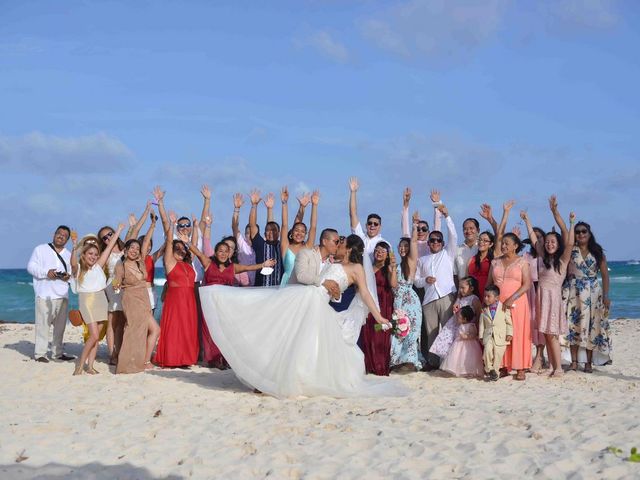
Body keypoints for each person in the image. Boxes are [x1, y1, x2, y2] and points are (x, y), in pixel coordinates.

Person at [198, 235, 404, 398]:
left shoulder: (356, 268)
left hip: (317, 303)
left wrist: (379, 317)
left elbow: (365, 293)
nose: (338, 245)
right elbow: (323, 279)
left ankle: (287, 379)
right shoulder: (333, 261)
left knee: (301, 342)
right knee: (282, 332)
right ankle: (267, 377)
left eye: (341, 243)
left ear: (349, 248)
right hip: (306, 296)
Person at [183, 229, 275, 369]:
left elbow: (248, 267)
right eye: (220, 251)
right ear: (216, 252)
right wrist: (187, 242)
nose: (223, 253)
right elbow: (198, 252)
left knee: (225, 332)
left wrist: (263, 265)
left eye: (226, 251)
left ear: (230, 253)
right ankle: (213, 360)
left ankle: (225, 359)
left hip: (225, 305)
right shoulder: (208, 263)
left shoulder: (233, 267)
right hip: (209, 305)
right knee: (209, 332)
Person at [522, 197, 575, 378]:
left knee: (552, 334)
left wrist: (560, 216)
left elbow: (569, 242)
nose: (549, 244)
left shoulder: (562, 260)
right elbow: (533, 237)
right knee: (545, 333)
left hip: (553, 299)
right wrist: (527, 220)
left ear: (558, 244)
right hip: (541, 298)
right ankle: (553, 366)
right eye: (547, 242)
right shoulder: (543, 258)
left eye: (553, 242)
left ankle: (558, 368)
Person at [152, 187, 199, 368]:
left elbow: (193, 245)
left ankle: (185, 359)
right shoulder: (170, 261)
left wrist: (195, 227)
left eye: (182, 248)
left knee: (187, 329)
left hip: (188, 299)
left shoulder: (188, 262)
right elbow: (169, 240)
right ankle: (172, 358)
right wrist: (162, 206)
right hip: (175, 299)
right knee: (174, 329)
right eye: (177, 247)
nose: (180, 249)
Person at [71, 224, 125, 375]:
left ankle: (90, 366)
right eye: (90, 254)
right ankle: (80, 365)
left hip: (101, 298)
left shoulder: (98, 267)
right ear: (84, 254)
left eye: (96, 254)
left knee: (96, 337)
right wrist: (74, 247)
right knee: (94, 335)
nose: (93, 257)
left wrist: (119, 230)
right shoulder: (80, 269)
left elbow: (109, 248)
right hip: (87, 300)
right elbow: (73, 263)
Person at [413, 204, 458, 370]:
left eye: (438, 240)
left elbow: (453, 235)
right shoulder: (422, 260)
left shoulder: (448, 253)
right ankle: (432, 363)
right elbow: (415, 280)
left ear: (442, 242)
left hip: (446, 296)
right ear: (428, 243)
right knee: (431, 333)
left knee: (448, 331)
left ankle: (448, 361)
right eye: (432, 240)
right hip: (429, 299)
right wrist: (425, 281)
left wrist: (447, 216)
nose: (435, 242)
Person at [563, 220, 611, 371]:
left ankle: (589, 363)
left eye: (584, 231)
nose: (581, 234)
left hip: (593, 293)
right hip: (574, 292)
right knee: (573, 326)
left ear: (589, 234)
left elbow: (605, 276)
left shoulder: (598, 252)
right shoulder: (571, 250)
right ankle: (574, 362)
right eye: (578, 232)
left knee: (592, 326)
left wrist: (606, 295)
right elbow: (564, 230)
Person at [487, 224, 532, 381]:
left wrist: (511, 298)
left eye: (507, 243)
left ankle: (520, 367)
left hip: (517, 302)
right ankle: (504, 365)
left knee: (518, 333)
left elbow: (527, 284)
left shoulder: (522, 262)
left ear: (515, 246)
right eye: (502, 243)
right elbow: (489, 284)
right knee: (501, 333)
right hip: (498, 303)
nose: (504, 245)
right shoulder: (495, 262)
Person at [113, 230, 160, 374]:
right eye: (131, 248)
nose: (135, 250)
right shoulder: (121, 266)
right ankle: (128, 364)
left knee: (152, 330)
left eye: (137, 248)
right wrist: (116, 285)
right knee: (134, 330)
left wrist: (152, 225)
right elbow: (117, 282)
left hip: (144, 300)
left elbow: (146, 243)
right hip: (131, 300)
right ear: (125, 250)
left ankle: (142, 361)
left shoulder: (141, 263)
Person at [26, 226, 75, 363]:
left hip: (63, 295)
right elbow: (31, 267)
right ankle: (40, 354)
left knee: (60, 328)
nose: (61, 236)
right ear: (54, 234)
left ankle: (57, 353)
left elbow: (72, 275)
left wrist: (67, 277)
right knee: (43, 326)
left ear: (67, 239)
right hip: (44, 294)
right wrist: (46, 273)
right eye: (59, 233)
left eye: (64, 235)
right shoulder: (40, 249)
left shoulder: (69, 254)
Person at [390, 214, 423, 372]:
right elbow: (394, 285)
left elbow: (414, 242)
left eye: (405, 246)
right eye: (400, 246)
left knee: (412, 331)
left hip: (410, 300)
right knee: (398, 330)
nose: (403, 248)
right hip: (398, 299)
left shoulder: (410, 262)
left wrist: (414, 225)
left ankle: (410, 360)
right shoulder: (395, 264)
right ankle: (396, 360)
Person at [361, 241, 397, 376]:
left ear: (387, 254)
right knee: (368, 332)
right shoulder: (367, 267)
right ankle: (368, 365)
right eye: (377, 249)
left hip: (384, 304)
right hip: (370, 303)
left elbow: (393, 284)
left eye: (383, 250)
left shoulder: (388, 268)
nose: (379, 252)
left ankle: (380, 366)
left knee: (380, 332)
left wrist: (392, 269)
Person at [429, 276, 482, 361]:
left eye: (463, 288)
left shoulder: (474, 299)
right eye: (459, 287)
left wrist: (477, 327)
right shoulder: (460, 298)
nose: (460, 290)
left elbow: (478, 314)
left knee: (464, 345)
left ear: (471, 288)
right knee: (449, 341)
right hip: (455, 323)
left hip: (466, 327)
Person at [97, 224, 126, 365]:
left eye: (110, 234)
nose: (108, 238)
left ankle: (119, 351)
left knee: (121, 322)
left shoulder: (124, 248)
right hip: (112, 287)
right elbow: (97, 271)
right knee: (112, 320)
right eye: (105, 237)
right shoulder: (106, 253)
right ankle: (111, 354)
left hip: (125, 287)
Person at [279, 187, 319, 286]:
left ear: (305, 235)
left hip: (303, 286)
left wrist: (314, 205)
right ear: (291, 233)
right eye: (296, 230)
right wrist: (284, 203)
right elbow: (284, 225)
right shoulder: (285, 246)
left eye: (302, 232)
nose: (299, 233)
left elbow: (313, 227)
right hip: (287, 285)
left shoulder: (308, 247)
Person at [248, 189, 283, 286]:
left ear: (279, 233)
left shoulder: (283, 246)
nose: (271, 233)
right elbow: (252, 225)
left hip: (279, 291)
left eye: (274, 231)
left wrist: (270, 209)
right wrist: (254, 205)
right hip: (261, 290)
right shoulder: (260, 244)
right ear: (264, 233)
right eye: (268, 231)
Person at [478, 285, 513, 381]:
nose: (485, 298)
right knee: (487, 351)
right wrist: (481, 336)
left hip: (501, 337)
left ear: (497, 297)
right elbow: (481, 324)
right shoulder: (484, 309)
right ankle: (489, 368)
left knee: (498, 356)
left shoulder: (504, 308)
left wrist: (509, 333)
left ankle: (495, 373)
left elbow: (509, 322)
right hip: (488, 336)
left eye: (488, 296)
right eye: (484, 296)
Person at [349, 177, 387, 261]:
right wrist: (353, 192)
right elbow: (353, 214)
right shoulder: (360, 236)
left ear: (380, 227)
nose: (372, 225)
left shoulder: (384, 243)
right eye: (370, 223)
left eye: (376, 224)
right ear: (366, 225)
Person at [440, 306, 483, 378]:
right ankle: (458, 370)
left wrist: (466, 336)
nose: (457, 318)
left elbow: (474, 334)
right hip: (459, 343)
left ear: (465, 319)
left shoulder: (471, 325)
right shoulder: (461, 325)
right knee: (457, 356)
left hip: (469, 345)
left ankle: (469, 371)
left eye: (459, 317)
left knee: (469, 357)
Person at [231, 193, 257, 286]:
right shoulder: (242, 244)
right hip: (242, 285)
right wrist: (236, 209)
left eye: (252, 233)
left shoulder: (261, 246)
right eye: (247, 233)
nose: (249, 235)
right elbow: (234, 227)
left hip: (257, 286)